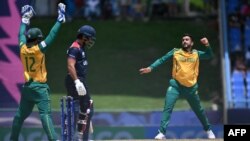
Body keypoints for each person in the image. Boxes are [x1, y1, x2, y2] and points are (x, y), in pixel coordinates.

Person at [139, 34, 216, 139]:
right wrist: (150, 68)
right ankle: (162, 132)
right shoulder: (176, 51)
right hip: (176, 85)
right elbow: (162, 59)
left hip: (191, 88)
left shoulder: (196, 54)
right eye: (183, 40)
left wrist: (207, 44)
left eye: (187, 40)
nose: (184, 41)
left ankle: (208, 130)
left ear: (192, 43)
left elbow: (209, 55)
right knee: (168, 108)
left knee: (199, 110)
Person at [10, 3, 66, 141]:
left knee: (19, 117)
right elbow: (51, 36)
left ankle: (13, 139)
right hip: (40, 88)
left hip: (27, 89)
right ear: (36, 40)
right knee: (45, 115)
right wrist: (59, 20)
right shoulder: (38, 49)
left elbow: (20, 34)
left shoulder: (22, 47)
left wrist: (24, 19)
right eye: (39, 38)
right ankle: (53, 139)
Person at [65, 24, 96, 140]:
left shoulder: (81, 47)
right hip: (75, 80)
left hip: (78, 80)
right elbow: (70, 66)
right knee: (85, 108)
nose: (91, 40)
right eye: (90, 37)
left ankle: (80, 135)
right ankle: (80, 136)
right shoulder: (75, 48)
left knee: (85, 107)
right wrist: (77, 82)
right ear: (84, 37)